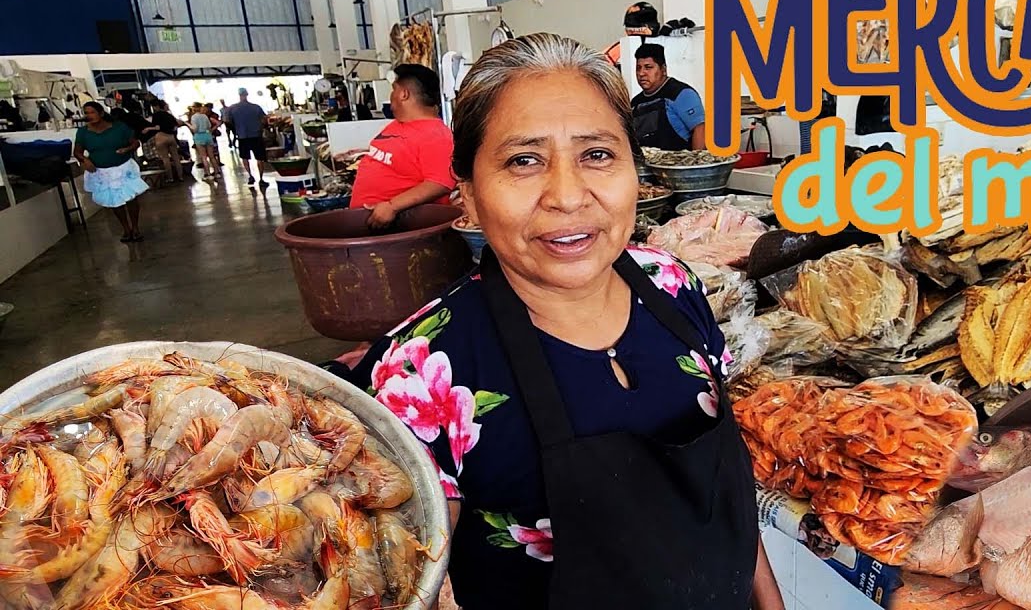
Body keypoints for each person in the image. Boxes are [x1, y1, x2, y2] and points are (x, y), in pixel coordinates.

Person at [327, 34, 784, 610]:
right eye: (524, 160)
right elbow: (404, 585)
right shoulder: (418, 374)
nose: (568, 196)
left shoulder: (672, 284)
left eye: (597, 154)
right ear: (466, 191)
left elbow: (727, 490)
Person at [349, 64, 457, 229]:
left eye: (394, 89)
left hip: (401, 230)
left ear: (403, 93)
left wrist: (392, 206)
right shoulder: (397, 125)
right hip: (370, 225)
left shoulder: (435, 134)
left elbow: (440, 183)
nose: (391, 95)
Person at [74, 102, 147, 242]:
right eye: (86, 113)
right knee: (114, 201)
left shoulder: (119, 127)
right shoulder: (83, 132)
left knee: (131, 198)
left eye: (92, 112)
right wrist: (85, 160)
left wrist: (127, 149)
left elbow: (135, 142)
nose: (89, 116)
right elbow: (77, 152)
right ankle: (126, 229)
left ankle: (136, 227)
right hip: (102, 172)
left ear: (101, 113)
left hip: (124, 167)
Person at [631, 43, 708, 150]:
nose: (641, 73)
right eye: (638, 68)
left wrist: (697, 163)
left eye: (648, 67)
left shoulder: (681, 94)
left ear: (663, 69)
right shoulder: (635, 103)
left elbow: (700, 129)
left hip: (680, 163)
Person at [223, 88, 269, 187]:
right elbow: (264, 120)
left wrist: (235, 129)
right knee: (259, 158)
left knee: (245, 157)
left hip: (242, 136)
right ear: (247, 94)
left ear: (239, 95)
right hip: (256, 135)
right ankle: (261, 179)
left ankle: (250, 176)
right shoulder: (256, 107)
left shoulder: (232, 108)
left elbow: (227, 121)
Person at [146, 100, 186, 183]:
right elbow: (177, 125)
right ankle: (180, 176)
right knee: (176, 158)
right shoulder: (169, 115)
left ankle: (170, 178)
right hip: (171, 137)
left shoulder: (156, 115)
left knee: (165, 159)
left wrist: (148, 128)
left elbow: (157, 127)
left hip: (161, 137)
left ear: (156, 107)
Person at [188, 103, 219, 179]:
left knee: (204, 157)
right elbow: (209, 126)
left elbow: (195, 129)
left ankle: (208, 174)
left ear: (195, 108)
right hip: (207, 135)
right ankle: (217, 172)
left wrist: (188, 125)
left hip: (199, 136)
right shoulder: (205, 116)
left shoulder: (194, 117)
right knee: (212, 156)